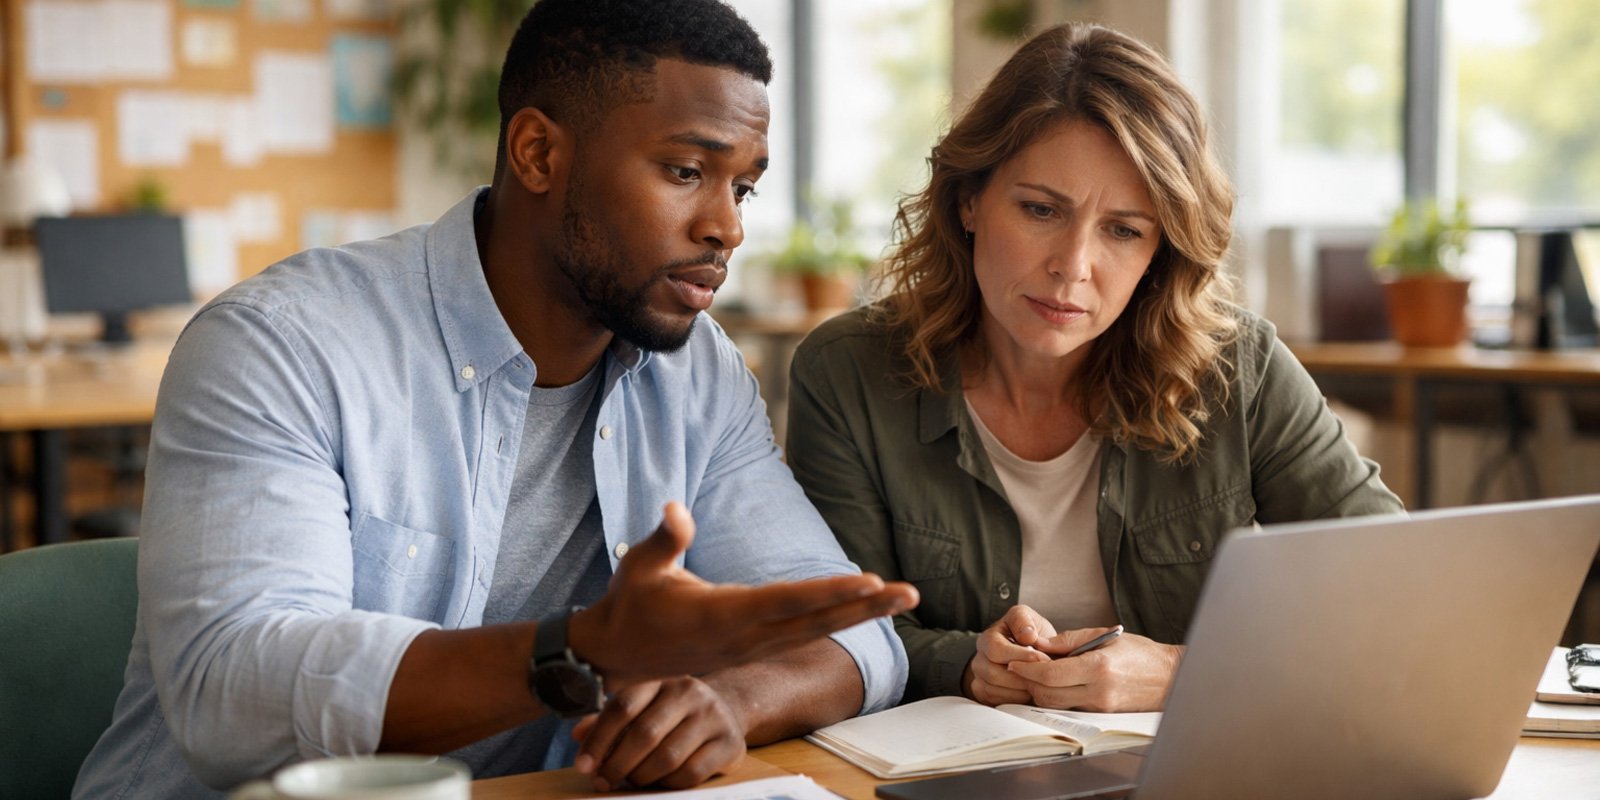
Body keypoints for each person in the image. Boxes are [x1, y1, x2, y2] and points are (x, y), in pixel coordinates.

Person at [73, 1, 918, 796]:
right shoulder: (283, 343)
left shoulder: (698, 372)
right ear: (539, 154)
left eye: (743, 188)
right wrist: (575, 653)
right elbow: (230, 691)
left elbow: (850, 633)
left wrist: (732, 702)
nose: (727, 227)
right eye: (686, 170)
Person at [785, 22, 1401, 714]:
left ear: (1159, 252)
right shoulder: (848, 372)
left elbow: (1390, 593)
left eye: (1123, 229)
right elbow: (839, 631)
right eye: (1041, 209)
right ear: (968, 202)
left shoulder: (1240, 369)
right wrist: (966, 666)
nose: (1073, 267)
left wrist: (1179, 671)